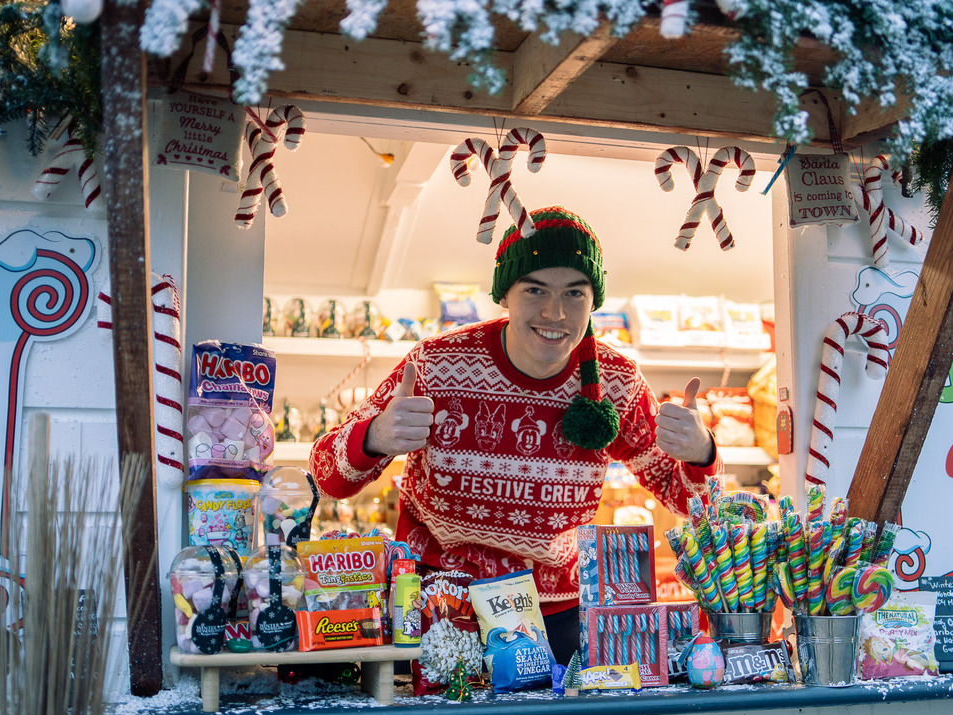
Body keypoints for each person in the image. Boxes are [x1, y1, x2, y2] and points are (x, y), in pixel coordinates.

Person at [309, 206, 722, 660]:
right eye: (535, 290)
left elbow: (692, 503)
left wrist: (701, 453)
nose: (555, 312)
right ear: (505, 295)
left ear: (594, 300)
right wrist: (375, 437)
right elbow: (328, 476)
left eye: (574, 294)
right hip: (443, 606)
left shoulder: (616, 381)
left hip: (556, 615)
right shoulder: (436, 364)